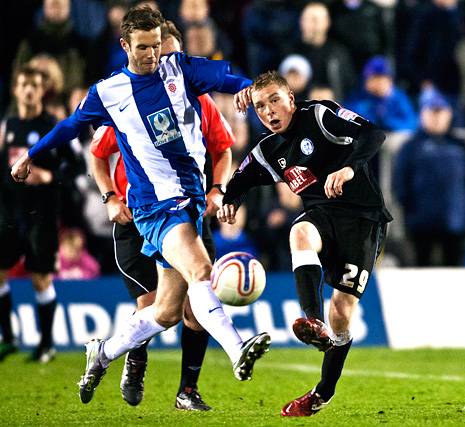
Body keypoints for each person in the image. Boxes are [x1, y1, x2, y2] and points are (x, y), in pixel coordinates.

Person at [10, 7, 270, 405]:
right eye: (144, 47)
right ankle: (237, 350)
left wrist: (248, 87)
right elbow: (69, 128)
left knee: (165, 312)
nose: (152, 55)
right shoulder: (108, 92)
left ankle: (103, 353)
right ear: (125, 46)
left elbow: (224, 74)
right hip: (153, 207)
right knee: (201, 269)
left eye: (156, 46)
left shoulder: (178, 69)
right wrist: (32, 153)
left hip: (190, 199)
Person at [218, 71, 392, 416]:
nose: (268, 111)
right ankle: (312, 321)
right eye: (260, 106)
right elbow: (241, 178)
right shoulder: (269, 149)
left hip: (363, 221)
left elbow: (373, 133)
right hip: (322, 217)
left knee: (341, 315)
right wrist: (230, 200)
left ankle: (322, 393)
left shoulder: (319, 115)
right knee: (299, 233)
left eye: (274, 100)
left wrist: (350, 169)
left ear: (291, 100)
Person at [87, 20, 236, 410]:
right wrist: (109, 198)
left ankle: (187, 390)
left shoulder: (200, 102)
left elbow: (222, 149)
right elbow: (97, 155)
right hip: (137, 216)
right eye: (152, 52)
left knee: (188, 309)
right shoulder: (124, 100)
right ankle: (130, 361)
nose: (159, 62)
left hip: (186, 209)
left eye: (167, 55)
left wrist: (218, 189)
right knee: (153, 303)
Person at [0, 65, 70, 363]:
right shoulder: (8, 126)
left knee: (40, 278)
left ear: (43, 91)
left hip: (42, 213)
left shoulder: (54, 127)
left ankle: (46, 344)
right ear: (16, 90)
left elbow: (76, 168)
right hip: (11, 213)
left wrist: (49, 177)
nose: (28, 90)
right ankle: (9, 337)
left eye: (34, 85)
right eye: (23, 84)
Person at [393, 88, 465, 266]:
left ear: (449, 114)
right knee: (421, 271)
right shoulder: (410, 148)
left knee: (454, 271)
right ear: (422, 114)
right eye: (431, 111)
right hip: (421, 224)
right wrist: (411, 212)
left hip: (454, 223)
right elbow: (399, 184)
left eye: (440, 112)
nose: (436, 117)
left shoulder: (460, 146)